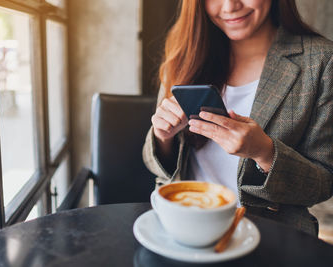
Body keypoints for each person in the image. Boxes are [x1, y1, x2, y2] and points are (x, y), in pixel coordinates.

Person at [143, 0, 333, 236]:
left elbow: (324, 183)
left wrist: (264, 152)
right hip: (182, 222)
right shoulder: (186, 51)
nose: (230, 6)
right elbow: (156, 165)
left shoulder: (321, 61)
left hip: (269, 235)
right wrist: (163, 137)